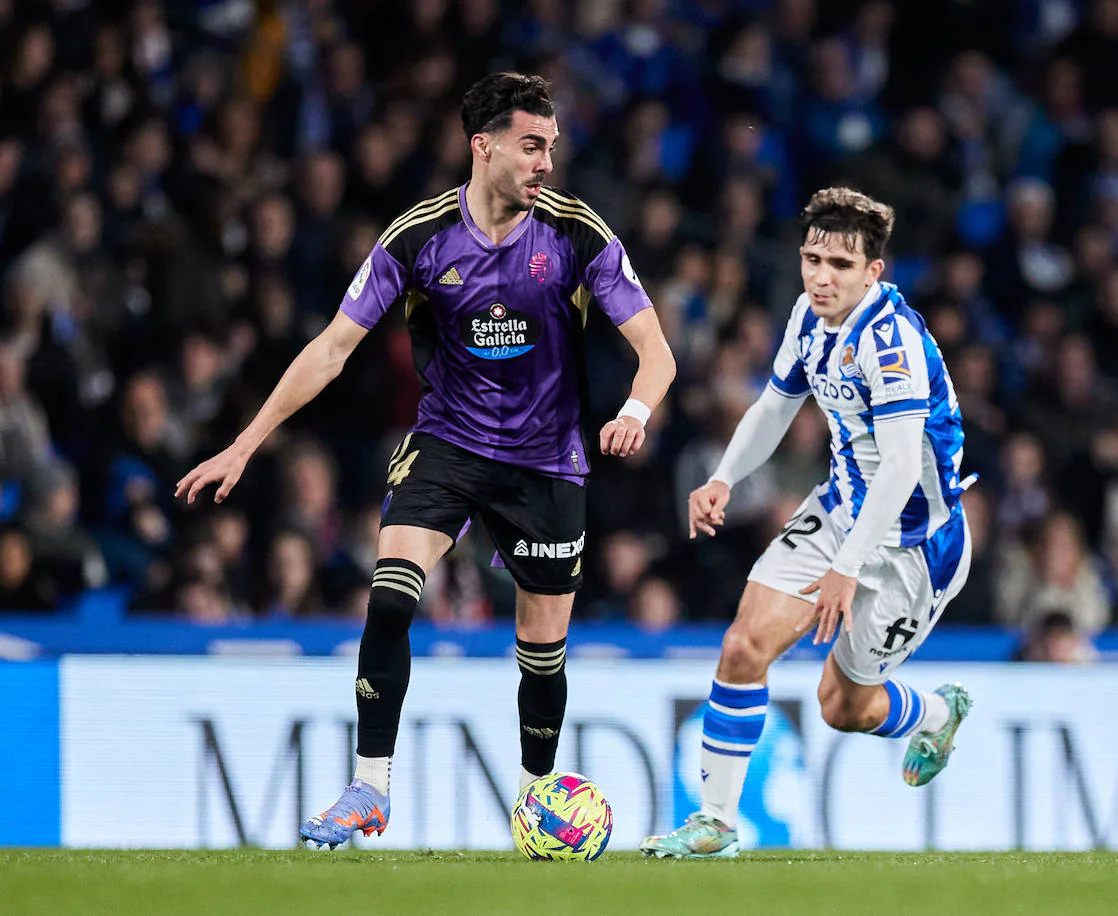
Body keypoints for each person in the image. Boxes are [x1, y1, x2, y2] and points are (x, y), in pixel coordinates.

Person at [174, 73, 676, 849]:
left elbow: (656, 351)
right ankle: (369, 788)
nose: (547, 162)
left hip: (547, 463)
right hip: (447, 444)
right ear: (484, 148)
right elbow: (333, 349)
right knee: (391, 596)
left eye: (552, 146)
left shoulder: (578, 233)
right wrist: (246, 443)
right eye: (531, 145)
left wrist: (636, 412)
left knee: (542, 657)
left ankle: (536, 801)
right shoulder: (418, 236)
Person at [640, 188, 974, 859]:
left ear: (873, 273)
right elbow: (775, 405)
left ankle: (939, 713)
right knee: (742, 648)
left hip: (913, 545)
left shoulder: (892, 341)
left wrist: (846, 569)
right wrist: (723, 477)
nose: (822, 277)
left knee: (842, 707)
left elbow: (904, 467)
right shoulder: (807, 315)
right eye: (812, 259)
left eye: (841, 265)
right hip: (838, 510)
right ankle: (715, 821)